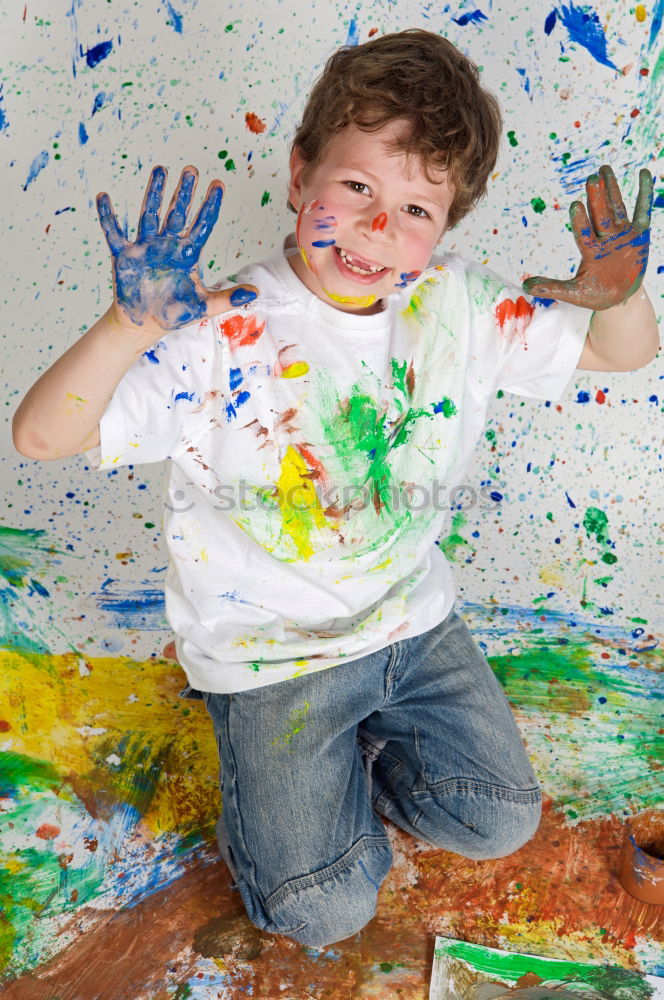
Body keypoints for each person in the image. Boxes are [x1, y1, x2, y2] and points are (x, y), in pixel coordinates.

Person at [12, 29, 658, 948]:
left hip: (413, 628)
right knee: (323, 910)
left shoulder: (460, 305)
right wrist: (128, 323)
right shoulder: (217, 326)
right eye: (357, 188)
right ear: (301, 171)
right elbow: (41, 435)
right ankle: (283, 787)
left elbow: (623, 354)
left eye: (416, 209)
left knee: (500, 819)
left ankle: (359, 758)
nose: (378, 228)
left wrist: (619, 295)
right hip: (275, 661)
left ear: (446, 226)